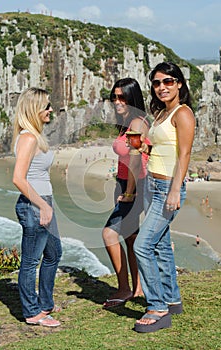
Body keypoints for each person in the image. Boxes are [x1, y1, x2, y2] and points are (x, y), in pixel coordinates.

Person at [133, 62, 195, 332]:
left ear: (179, 83)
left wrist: (174, 189)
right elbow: (161, 147)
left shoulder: (183, 113)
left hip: (167, 187)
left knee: (142, 246)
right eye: (157, 83)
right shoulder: (160, 114)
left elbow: (184, 154)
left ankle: (157, 307)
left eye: (168, 81)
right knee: (158, 245)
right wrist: (142, 144)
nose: (162, 87)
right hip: (153, 184)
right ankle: (171, 299)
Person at [12, 87, 62, 327]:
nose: (51, 109)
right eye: (47, 106)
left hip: (43, 202)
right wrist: (43, 205)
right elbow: (18, 178)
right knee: (31, 261)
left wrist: (47, 204)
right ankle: (32, 312)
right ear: (34, 109)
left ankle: (45, 304)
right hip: (34, 205)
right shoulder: (28, 138)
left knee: (53, 254)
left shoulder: (34, 135)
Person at [102, 78, 149, 309]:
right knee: (130, 238)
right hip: (123, 184)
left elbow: (136, 158)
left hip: (134, 186)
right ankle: (137, 288)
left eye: (122, 97)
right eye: (114, 97)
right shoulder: (127, 123)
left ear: (132, 98)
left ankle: (123, 289)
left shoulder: (138, 124)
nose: (117, 101)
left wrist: (129, 192)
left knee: (109, 234)